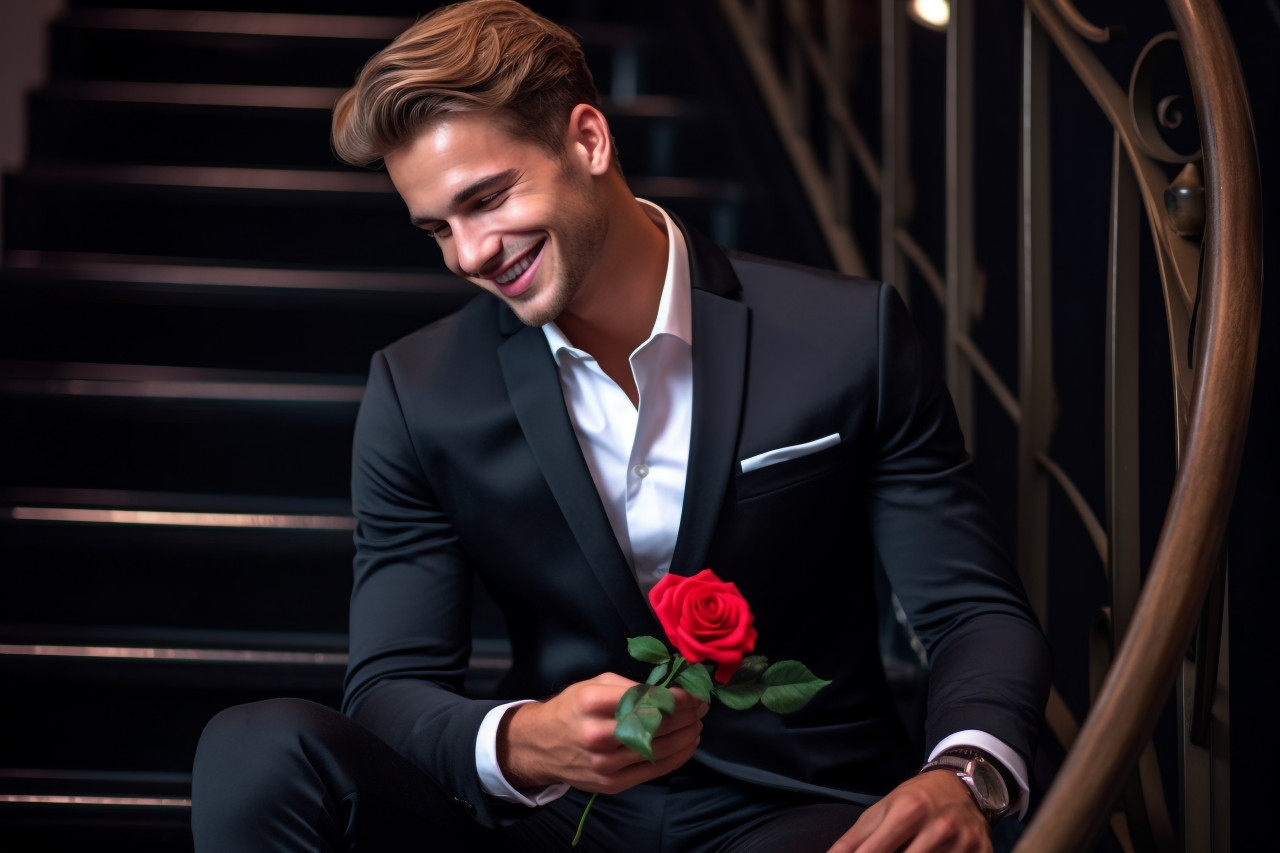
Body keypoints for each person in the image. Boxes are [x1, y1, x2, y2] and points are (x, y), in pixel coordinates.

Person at [191, 1, 1050, 850]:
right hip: (552, 819)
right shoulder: (417, 391)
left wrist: (963, 772)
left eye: (486, 199)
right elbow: (388, 688)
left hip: (794, 808)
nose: (469, 255)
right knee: (255, 748)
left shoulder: (844, 335)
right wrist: (520, 743)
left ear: (588, 141)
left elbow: (971, 609)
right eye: (438, 229)